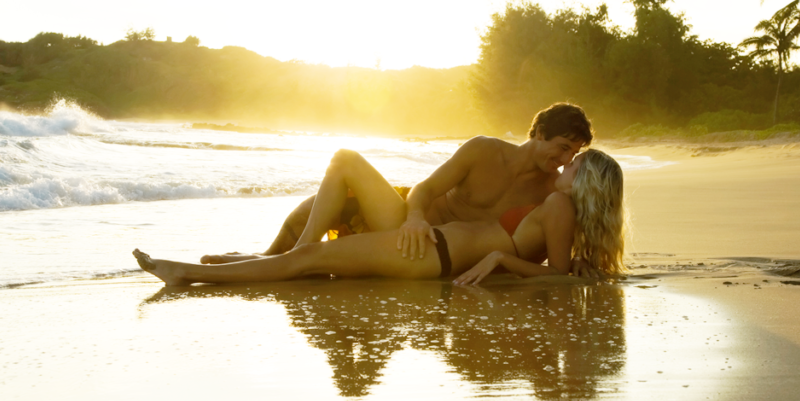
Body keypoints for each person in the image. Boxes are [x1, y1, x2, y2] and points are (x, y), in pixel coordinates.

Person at [133, 148, 627, 287]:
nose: (567, 165)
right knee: (312, 261)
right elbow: (563, 267)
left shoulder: (560, 204)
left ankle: (189, 273)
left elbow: (558, 278)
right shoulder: (560, 206)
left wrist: (500, 256)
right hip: (434, 245)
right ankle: (212, 269)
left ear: (586, 182)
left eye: (576, 164)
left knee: (309, 259)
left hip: (435, 254)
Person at [200, 102, 594, 265]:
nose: (561, 162)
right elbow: (423, 189)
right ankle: (273, 258)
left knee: (329, 199)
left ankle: (281, 261)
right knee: (325, 188)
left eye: (570, 156)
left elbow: (535, 243)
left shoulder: (550, 193)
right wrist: (416, 218)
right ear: (539, 131)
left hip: (434, 251)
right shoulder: (485, 150)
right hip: (407, 217)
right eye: (560, 149)